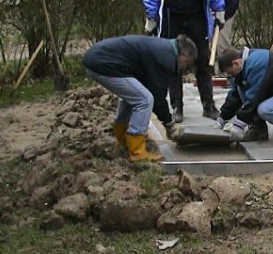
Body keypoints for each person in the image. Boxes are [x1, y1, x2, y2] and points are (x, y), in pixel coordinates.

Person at [143, 0, 225, 123]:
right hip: (172, 18)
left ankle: (209, 105)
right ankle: (177, 107)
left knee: (204, 62)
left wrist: (219, 10)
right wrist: (151, 18)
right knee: (174, 64)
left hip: (198, 17)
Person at [83, 34, 197, 162]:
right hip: (104, 63)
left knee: (134, 96)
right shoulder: (166, 56)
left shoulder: (162, 48)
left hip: (97, 59)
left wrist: (167, 121)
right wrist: (169, 124)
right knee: (145, 100)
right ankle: (137, 151)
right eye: (186, 63)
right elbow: (157, 94)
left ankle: (122, 138)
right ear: (183, 56)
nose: (184, 67)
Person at [216, 47, 273, 147]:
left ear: (236, 63)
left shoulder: (257, 63)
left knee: (265, 110)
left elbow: (255, 95)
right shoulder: (244, 65)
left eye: (231, 73)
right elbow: (235, 95)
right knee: (241, 89)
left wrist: (239, 124)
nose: (232, 76)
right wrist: (222, 118)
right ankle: (259, 129)